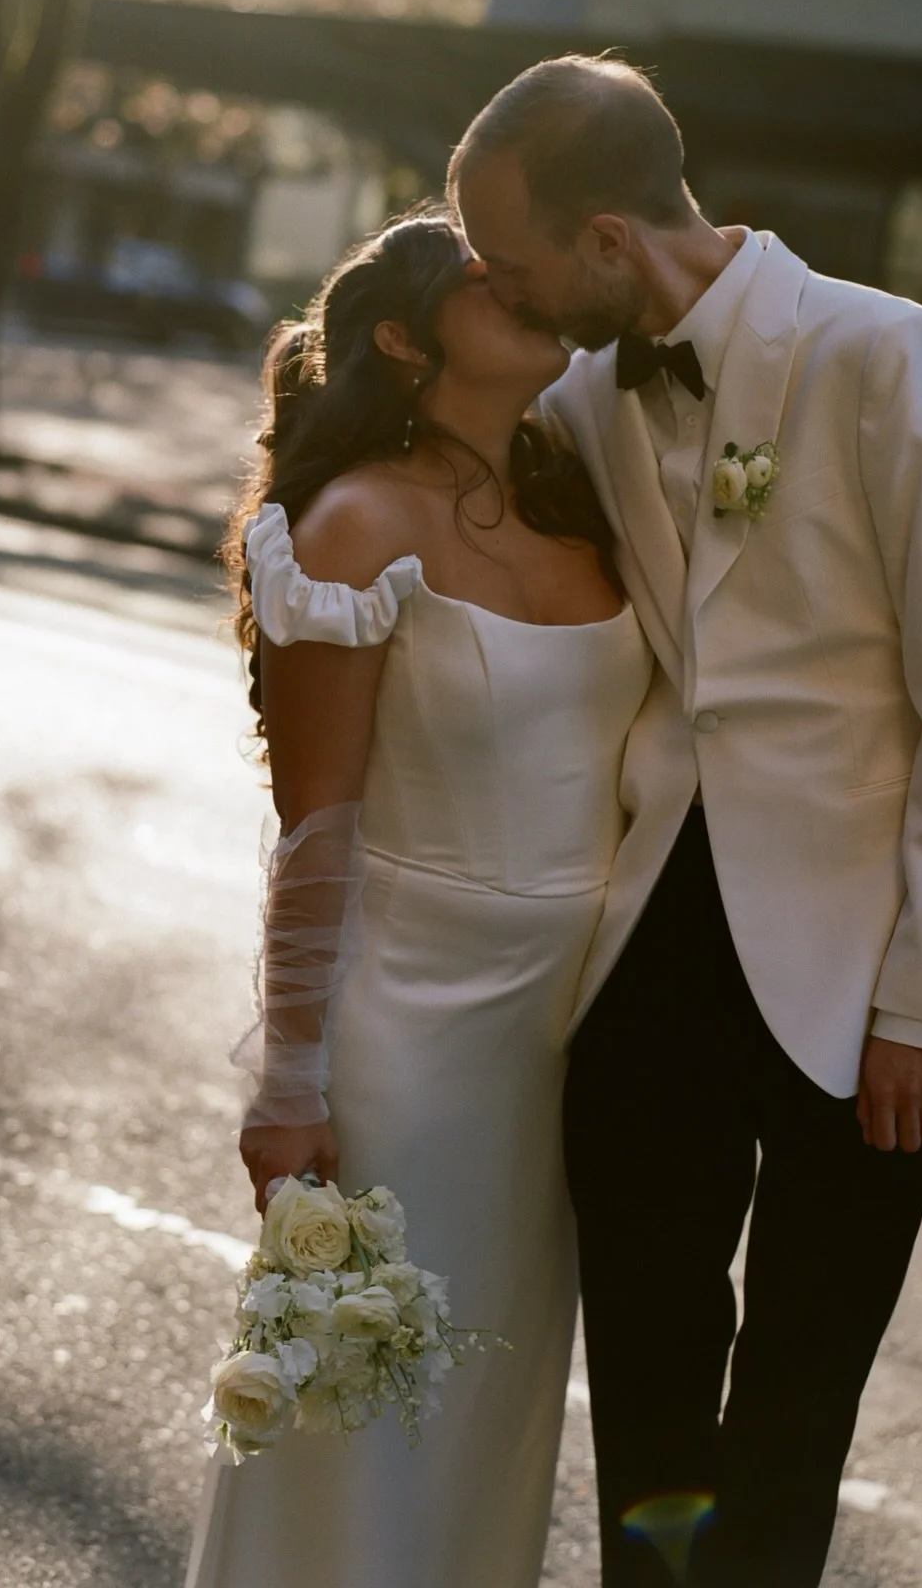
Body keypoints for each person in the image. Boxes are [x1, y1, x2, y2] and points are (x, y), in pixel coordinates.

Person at [451, 56, 922, 1588]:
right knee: (643, 1377)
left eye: (513, 263)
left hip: (862, 983)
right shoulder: (579, 393)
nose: (500, 294)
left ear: (606, 241)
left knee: (793, 1408)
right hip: (652, 950)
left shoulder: (888, 354)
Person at [184, 211, 653, 1588]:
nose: (523, 288)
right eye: (482, 279)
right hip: (413, 1037)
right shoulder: (352, 523)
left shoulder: (587, 501)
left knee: (483, 1426)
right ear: (401, 336)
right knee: (361, 1421)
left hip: (561, 1044)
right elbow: (315, 833)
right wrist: (288, 1086)